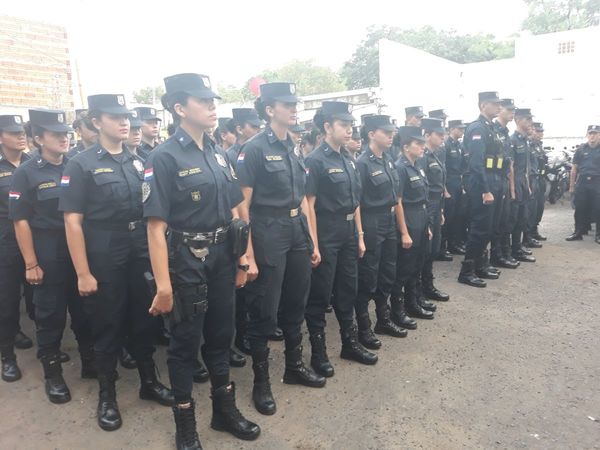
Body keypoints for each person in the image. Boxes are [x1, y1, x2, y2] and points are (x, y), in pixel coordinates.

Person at [144, 73, 260, 448]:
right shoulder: (163, 157)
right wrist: (163, 286)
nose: (212, 107)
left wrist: (242, 258)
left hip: (223, 256)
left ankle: (223, 411)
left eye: (213, 100)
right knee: (184, 344)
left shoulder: (216, 151)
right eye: (202, 101)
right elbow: (155, 227)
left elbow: (232, 209)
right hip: (186, 260)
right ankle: (185, 424)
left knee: (221, 336)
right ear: (179, 108)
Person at [59, 94, 173, 432]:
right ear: (96, 121)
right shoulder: (81, 164)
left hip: (139, 246)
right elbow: (72, 222)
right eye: (114, 117)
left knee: (144, 320)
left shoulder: (138, 160)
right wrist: (82, 272)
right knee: (108, 325)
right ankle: (107, 396)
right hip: (104, 250)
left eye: (126, 116)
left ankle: (149, 382)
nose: (124, 122)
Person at [236, 82, 326, 417]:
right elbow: (242, 206)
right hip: (267, 230)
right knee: (265, 308)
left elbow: (303, 198)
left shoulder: (294, 147)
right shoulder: (255, 149)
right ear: (270, 109)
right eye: (286, 104)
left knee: (296, 300)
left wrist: (312, 240)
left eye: (295, 103)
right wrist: (247, 253)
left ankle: (294, 366)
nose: (294, 108)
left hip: (295, 230)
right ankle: (261, 382)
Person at [9, 109, 94, 403]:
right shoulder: (27, 172)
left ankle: (89, 362)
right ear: (38, 138)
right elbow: (20, 220)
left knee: (84, 309)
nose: (63, 138)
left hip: (79, 248)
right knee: (50, 315)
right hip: (49, 249)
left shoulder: (76, 165)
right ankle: (53, 374)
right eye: (55, 134)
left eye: (65, 133)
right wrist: (31, 263)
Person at [303, 102, 377, 378]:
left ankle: (349, 343)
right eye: (343, 126)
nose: (349, 130)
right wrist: (314, 243)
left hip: (347, 232)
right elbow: (308, 204)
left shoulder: (348, 159)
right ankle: (318, 353)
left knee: (348, 288)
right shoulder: (315, 161)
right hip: (326, 231)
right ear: (327, 127)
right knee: (321, 294)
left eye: (350, 125)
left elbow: (355, 201)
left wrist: (359, 236)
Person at [354, 114, 412, 350]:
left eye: (392, 133)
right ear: (371, 134)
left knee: (388, 273)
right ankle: (363, 328)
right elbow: (356, 202)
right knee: (368, 276)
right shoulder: (362, 163)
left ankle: (383, 320)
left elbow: (396, 197)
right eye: (385, 133)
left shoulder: (388, 160)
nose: (391, 136)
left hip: (388, 220)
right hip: (371, 221)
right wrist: (360, 234)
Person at [458, 92, 505, 288]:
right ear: (483, 105)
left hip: (493, 179)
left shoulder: (490, 127)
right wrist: (486, 189)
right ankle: (466, 271)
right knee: (479, 228)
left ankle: (480, 265)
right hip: (481, 182)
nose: (498, 108)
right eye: (494, 104)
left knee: (489, 227)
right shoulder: (477, 128)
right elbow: (476, 163)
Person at [391, 126, 434, 320]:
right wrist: (404, 232)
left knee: (417, 264)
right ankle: (398, 310)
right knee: (404, 268)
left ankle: (413, 302)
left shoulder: (417, 165)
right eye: (418, 143)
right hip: (409, 220)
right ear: (406, 146)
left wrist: (427, 226)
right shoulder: (401, 167)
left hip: (421, 219)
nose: (422, 147)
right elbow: (398, 202)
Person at [0, 114, 30, 382]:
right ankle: (7, 355)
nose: (21, 136)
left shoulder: (33, 164)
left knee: (36, 296)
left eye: (22, 131)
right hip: (6, 243)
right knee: (7, 301)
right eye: (13, 132)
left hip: (33, 241)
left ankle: (45, 348)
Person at [418, 118, 450, 302]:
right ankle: (420, 289)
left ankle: (428, 285)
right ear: (427, 134)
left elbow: (440, 185)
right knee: (425, 249)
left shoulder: (436, 154)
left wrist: (442, 211)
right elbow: (423, 188)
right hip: (427, 206)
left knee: (433, 249)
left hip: (437, 206)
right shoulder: (422, 157)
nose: (442, 137)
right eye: (438, 134)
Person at [491, 99, 520, 269]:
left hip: (503, 182)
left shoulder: (504, 132)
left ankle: (503, 253)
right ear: (500, 109)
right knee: (495, 224)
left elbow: (509, 163)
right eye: (509, 109)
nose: (512, 113)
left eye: (513, 110)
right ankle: (497, 255)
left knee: (504, 221)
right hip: (494, 183)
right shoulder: (492, 130)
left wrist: (512, 188)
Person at [508, 108, 537, 263]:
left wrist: (528, 184)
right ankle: (509, 250)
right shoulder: (513, 140)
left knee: (522, 217)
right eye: (527, 119)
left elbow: (525, 165)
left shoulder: (524, 140)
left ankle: (517, 248)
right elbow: (511, 167)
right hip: (515, 183)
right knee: (512, 218)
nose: (530, 122)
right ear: (518, 120)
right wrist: (512, 189)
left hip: (524, 182)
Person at [566, 124, 600, 243]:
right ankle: (578, 232)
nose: (592, 136)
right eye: (590, 133)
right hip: (583, 182)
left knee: (598, 208)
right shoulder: (581, 149)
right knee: (580, 208)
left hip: (597, 182)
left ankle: (598, 235)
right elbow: (574, 168)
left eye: (595, 133)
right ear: (587, 135)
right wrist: (571, 186)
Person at [443, 119, 467, 255]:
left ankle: (455, 243)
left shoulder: (459, 145)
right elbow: (444, 168)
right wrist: (445, 188)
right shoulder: (446, 145)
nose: (462, 131)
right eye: (459, 129)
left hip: (458, 182)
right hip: (450, 182)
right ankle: (445, 245)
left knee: (459, 215)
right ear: (452, 129)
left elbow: (463, 165)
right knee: (449, 215)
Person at [530, 122, 548, 241]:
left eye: (541, 132)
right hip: (533, 179)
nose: (540, 134)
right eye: (537, 131)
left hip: (541, 179)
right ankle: (528, 234)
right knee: (532, 207)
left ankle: (534, 230)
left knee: (540, 206)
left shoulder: (539, 146)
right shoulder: (529, 145)